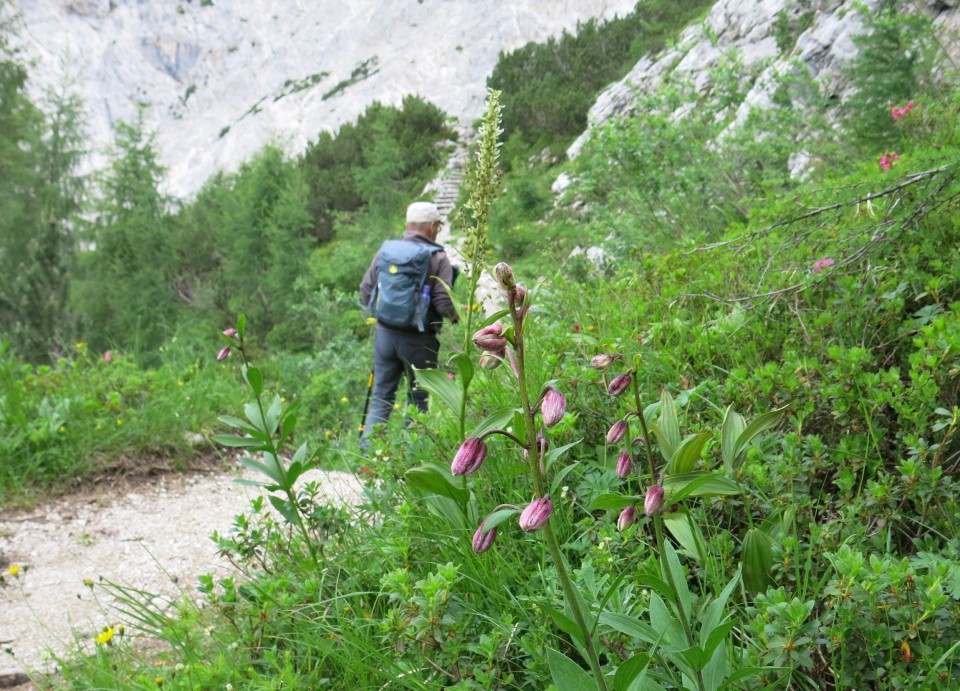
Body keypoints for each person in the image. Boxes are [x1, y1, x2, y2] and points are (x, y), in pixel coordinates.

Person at [359, 201, 458, 447]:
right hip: (419, 340)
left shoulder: (386, 250)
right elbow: (444, 303)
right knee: (417, 398)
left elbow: (366, 289)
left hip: (384, 336)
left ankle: (370, 457)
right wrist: (457, 314)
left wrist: (385, 315)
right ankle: (409, 459)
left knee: (381, 396)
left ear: (407, 225)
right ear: (433, 227)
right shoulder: (437, 257)